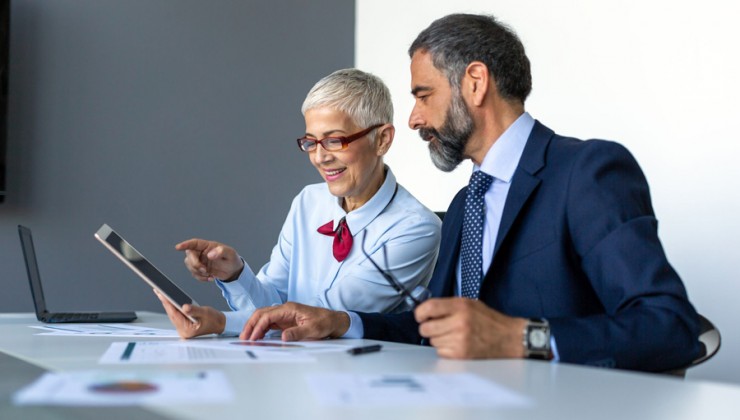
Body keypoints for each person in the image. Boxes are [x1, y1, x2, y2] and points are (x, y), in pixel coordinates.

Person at [241, 14, 703, 372]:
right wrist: (342, 323)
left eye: (424, 96)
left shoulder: (587, 173)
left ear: (475, 83)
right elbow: (431, 328)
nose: (415, 119)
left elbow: (670, 328)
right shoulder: (467, 204)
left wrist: (521, 339)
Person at [157, 68, 441, 338]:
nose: (320, 157)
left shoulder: (417, 228)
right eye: (311, 142)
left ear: (382, 140)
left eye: (334, 141)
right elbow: (272, 303)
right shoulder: (309, 201)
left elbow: (321, 316)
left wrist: (219, 322)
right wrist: (235, 275)